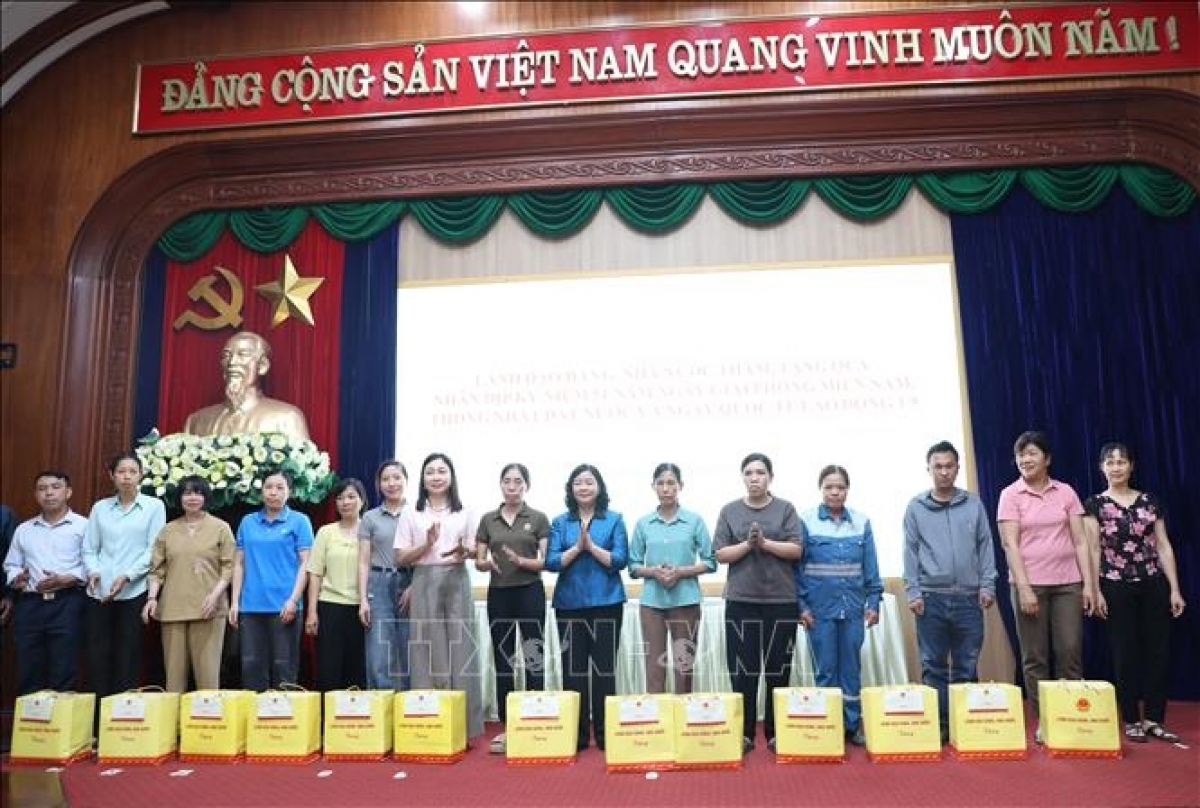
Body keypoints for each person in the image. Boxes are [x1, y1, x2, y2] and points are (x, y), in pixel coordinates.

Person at [1083, 442, 1187, 744]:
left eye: (1121, 462)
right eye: (1110, 462)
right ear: (1101, 468)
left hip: (1153, 582)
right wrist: (1095, 590)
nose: (1116, 467)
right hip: (1115, 584)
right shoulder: (1094, 504)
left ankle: (1154, 718)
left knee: (1158, 651)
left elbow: (1163, 546)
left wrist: (1175, 589)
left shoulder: (1150, 501)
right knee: (1124, 652)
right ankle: (1131, 719)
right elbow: (1092, 549)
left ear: (1131, 466)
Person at [996, 431, 1096, 742]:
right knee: (1035, 657)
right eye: (1020, 455)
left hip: (1068, 584)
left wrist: (1089, 585)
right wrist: (1024, 588)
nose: (1025, 460)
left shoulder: (1066, 492)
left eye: (1032, 454)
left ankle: (1072, 716)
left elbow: (1081, 541)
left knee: (1070, 651)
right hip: (1030, 586)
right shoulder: (1010, 495)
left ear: (1047, 459)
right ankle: (1046, 721)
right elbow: (1010, 545)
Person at [902, 441, 997, 744]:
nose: (943, 472)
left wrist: (988, 584)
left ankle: (966, 723)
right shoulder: (916, 507)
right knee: (934, 666)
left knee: (967, 664)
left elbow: (985, 546)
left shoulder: (973, 504)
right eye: (938, 466)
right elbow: (910, 552)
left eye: (949, 466)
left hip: (969, 597)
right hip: (930, 598)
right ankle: (941, 725)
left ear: (957, 468)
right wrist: (913, 591)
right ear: (928, 469)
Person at [713, 452, 801, 754]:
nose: (754, 478)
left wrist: (764, 543)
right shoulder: (729, 511)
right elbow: (720, 554)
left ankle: (777, 732)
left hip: (781, 600)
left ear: (770, 478)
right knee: (743, 671)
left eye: (760, 473)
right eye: (749, 473)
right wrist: (748, 545)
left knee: (779, 669)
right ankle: (745, 733)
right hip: (741, 601)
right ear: (743, 477)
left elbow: (796, 550)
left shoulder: (786, 509)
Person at [394, 453, 485, 739]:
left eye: (442, 471)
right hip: (424, 580)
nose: (436, 477)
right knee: (425, 649)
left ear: (451, 477)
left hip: (456, 579)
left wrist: (466, 551)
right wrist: (426, 545)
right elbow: (400, 557)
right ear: (423, 479)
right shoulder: (411, 512)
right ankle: (430, 725)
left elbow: (476, 551)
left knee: (461, 649)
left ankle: (464, 726)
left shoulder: (465, 510)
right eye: (430, 472)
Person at [797, 464, 883, 748]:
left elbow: (870, 566)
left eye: (840, 487)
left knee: (851, 669)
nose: (835, 492)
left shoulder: (861, 522)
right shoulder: (806, 521)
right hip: (818, 612)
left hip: (853, 608)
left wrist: (873, 602)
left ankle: (852, 724)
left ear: (848, 490)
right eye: (829, 487)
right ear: (820, 489)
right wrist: (801, 606)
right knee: (825, 670)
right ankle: (829, 725)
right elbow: (797, 569)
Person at [545, 463, 628, 752]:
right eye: (578, 482)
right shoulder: (560, 522)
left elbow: (620, 560)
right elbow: (551, 562)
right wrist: (577, 548)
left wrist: (591, 547)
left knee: (604, 670)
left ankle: (605, 735)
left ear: (599, 487)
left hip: (607, 602)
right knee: (573, 671)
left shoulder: (614, 519)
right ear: (570, 488)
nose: (583, 487)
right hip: (569, 605)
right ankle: (577, 736)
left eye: (589, 482)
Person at [475, 463, 551, 755]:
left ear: (526, 486)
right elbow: (479, 560)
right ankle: (508, 726)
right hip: (499, 594)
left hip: (530, 591)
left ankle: (535, 720)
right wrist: (486, 564)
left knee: (534, 657)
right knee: (503, 660)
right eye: (507, 481)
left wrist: (521, 562)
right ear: (500, 485)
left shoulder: (538, 518)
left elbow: (545, 561)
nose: (512, 486)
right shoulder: (488, 519)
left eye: (518, 481)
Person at [83, 452, 166, 698]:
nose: (127, 477)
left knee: (127, 656)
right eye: (121, 472)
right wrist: (93, 571)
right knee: (97, 656)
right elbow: (89, 548)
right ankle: (97, 715)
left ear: (141, 475)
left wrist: (128, 576)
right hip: (99, 593)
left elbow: (154, 549)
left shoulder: (154, 506)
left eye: (132, 472)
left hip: (134, 591)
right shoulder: (100, 508)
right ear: (112, 476)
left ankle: (121, 715)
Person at [141, 475, 234, 693]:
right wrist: (152, 598)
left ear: (206, 497)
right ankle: (174, 715)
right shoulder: (168, 530)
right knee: (174, 680)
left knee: (208, 678)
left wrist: (215, 595)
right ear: (179, 498)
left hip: (209, 608)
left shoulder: (221, 528)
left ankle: (207, 716)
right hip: (173, 608)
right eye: (187, 493)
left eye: (198, 493)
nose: (193, 498)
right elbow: (157, 569)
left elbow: (229, 567)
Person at [629, 462, 715, 695]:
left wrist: (681, 572)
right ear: (653, 486)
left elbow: (710, 561)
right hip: (652, 604)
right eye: (661, 483)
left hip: (686, 602)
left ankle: (683, 715)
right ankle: (657, 716)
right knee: (654, 670)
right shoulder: (643, 523)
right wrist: (653, 572)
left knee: (683, 670)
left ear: (680, 486)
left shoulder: (694, 521)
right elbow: (633, 565)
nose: (666, 488)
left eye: (671, 483)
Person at [3, 471, 88, 694]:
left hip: (67, 602)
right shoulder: (24, 529)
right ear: (36, 495)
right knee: (28, 669)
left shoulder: (84, 526)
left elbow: (92, 565)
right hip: (29, 604)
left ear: (68, 492)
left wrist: (67, 578)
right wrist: (16, 578)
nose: (48, 493)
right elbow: (11, 564)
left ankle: (62, 717)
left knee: (64, 668)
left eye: (55, 487)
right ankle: (31, 717)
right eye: (42, 488)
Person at [228, 470, 314, 691]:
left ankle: (284, 714)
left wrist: (293, 600)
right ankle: (255, 714)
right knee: (251, 667)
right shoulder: (248, 522)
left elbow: (306, 564)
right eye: (268, 487)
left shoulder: (299, 521)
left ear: (289, 492)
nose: (273, 492)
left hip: (284, 607)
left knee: (284, 668)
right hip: (250, 606)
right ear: (261, 491)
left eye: (279, 488)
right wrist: (235, 602)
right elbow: (238, 564)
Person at [182, 330, 310, 440]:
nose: (232, 362)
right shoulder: (196, 421)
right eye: (226, 356)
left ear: (262, 366)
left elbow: (301, 460)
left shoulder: (286, 417)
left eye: (242, 354)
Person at [306, 478, 369, 691]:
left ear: (362, 500)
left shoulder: (370, 530)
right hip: (329, 606)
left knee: (357, 670)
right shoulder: (326, 532)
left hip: (361, 609)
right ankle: (327, 712)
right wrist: (312, 611)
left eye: (351, 497)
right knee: (328, 671)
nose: (345, 502)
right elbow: (315, 572)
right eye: (340, 498)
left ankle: (354, 713)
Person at [357, 460, 411, 691]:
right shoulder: (370, 518)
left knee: (410, 648)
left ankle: (409, 704)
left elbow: (424, 555)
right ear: (378, 484)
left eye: (397, 477)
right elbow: (363, 561)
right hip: (378, 583)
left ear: (406, 481)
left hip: (410, 582)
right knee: (379, 650)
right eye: (386, 479)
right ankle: (381, 701)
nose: (391, 483)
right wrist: (363, 599)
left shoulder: (416, 514)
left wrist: (414, 586)